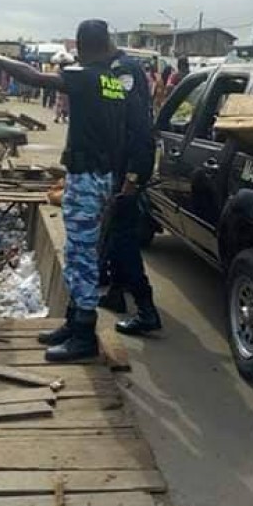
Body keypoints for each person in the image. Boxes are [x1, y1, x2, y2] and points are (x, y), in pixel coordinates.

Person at [0, 20, 127, 362]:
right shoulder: (112, 81)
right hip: (102, 176)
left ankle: (84, 336)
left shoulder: (85, 76)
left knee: (82, 258)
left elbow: (32, 76)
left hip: (87, 179)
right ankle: (73, 323)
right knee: (79, 252)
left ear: (83, 47)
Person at [100, 53, 161, 335]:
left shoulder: (125, 80)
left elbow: (142, 139)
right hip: (123, 170)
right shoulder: (123, 76)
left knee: (122, 240)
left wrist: (131, 179)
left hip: (131, 173)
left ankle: (146, 309)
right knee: (113, 233)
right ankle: (115, 291)